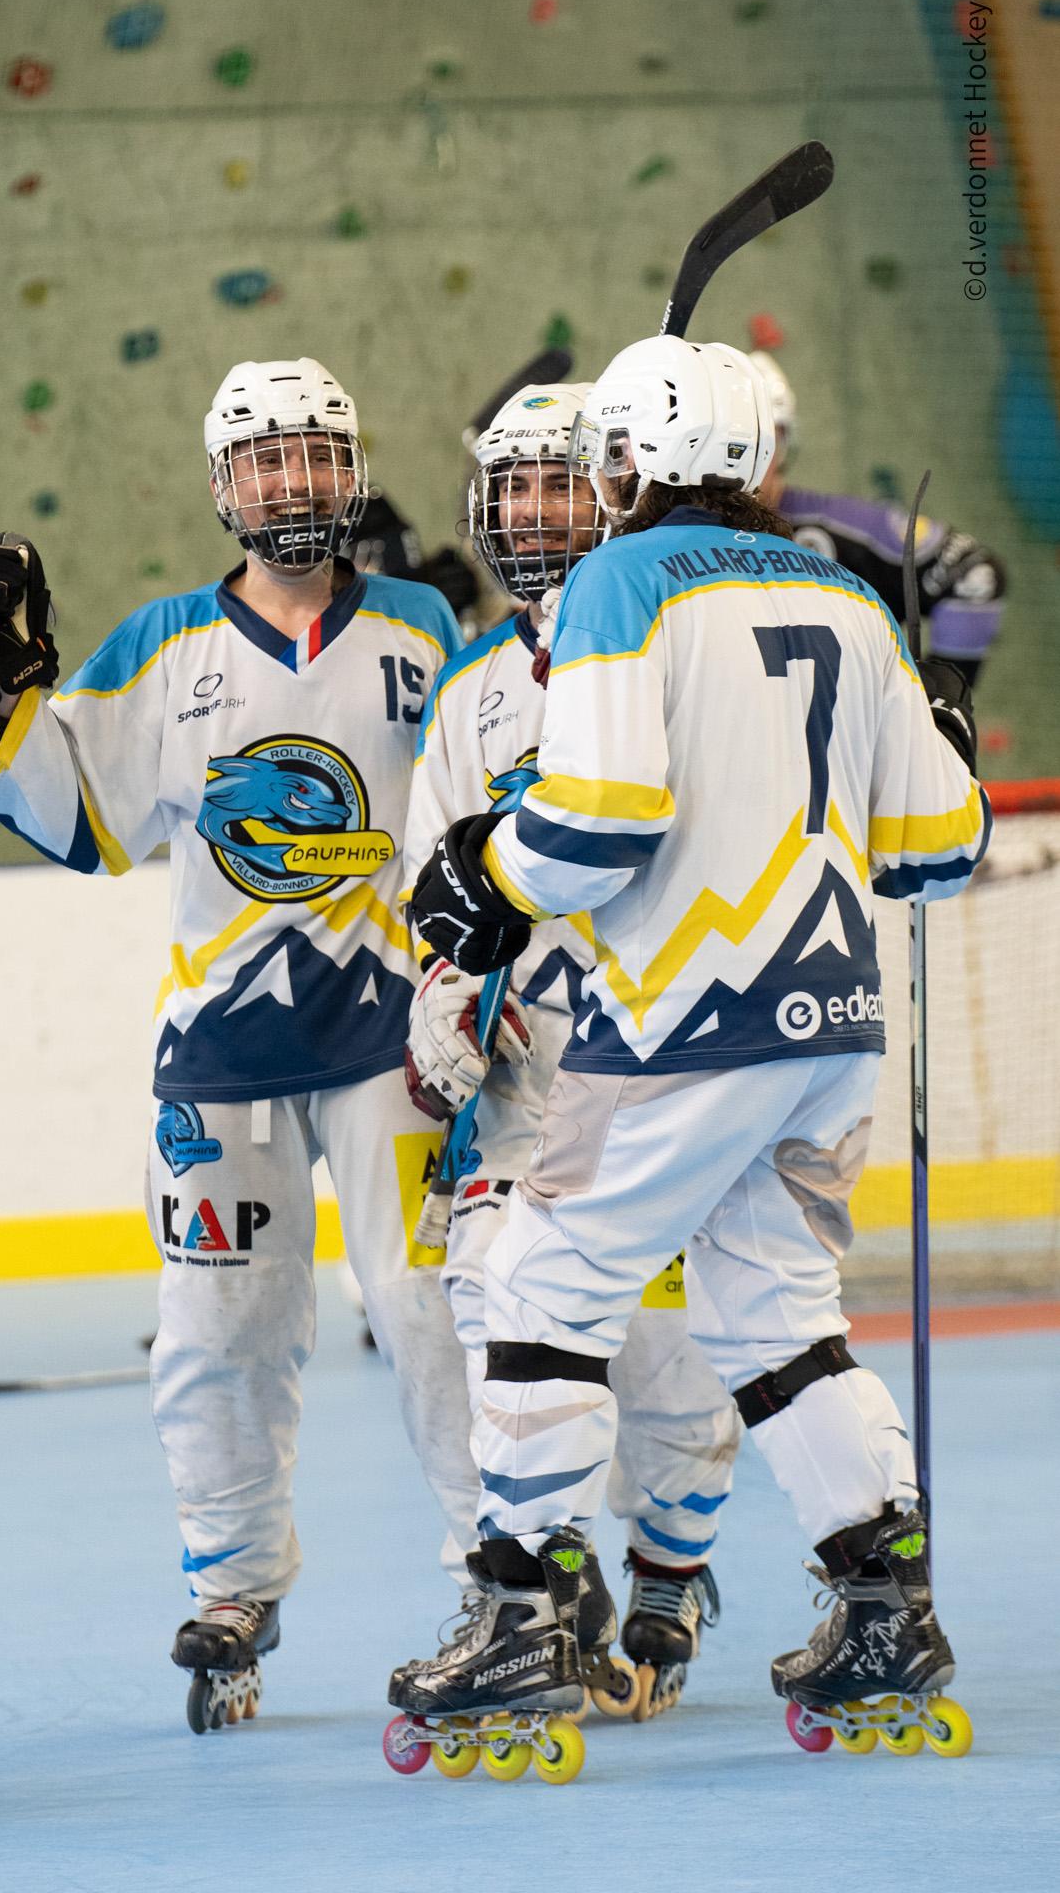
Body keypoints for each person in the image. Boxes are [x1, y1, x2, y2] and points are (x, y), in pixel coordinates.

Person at [391, 335, 987, 1755]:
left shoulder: (619, 581)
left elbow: (602, 813)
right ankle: (884, 1599)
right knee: (771, 1314)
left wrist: (490, 872)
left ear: (629, 459)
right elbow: (939, 846)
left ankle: (521, 1614)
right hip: (829, 1024)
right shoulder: (846, 594)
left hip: (681, 1017)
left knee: (540, 1280)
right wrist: (945, 736)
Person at [0, 357, 480, 1733]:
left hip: (395, 1043)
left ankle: (506, 1574)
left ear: (351, 471)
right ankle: (233, 1587)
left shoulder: (423, 626)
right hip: (226, 1049)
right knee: (216, 1333)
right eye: (265, 459)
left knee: (435, 1311)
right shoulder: (165, 645)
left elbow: (486, 787)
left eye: (316, 454)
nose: (293, 481)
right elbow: (79, 821)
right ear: (225, 483)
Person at [401, 381, 737, 1717]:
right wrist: (441, 1001)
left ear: (614, 490)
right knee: (488, 1304)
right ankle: (543, 1580)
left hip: (666, 1059)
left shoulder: (679, 640)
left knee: (670, 1356)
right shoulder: (472, 691)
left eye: (561, 482)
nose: (538, 511)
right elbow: (433, 883)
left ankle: (671, 1568)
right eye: (515, 487)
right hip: (527, 1086)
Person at [752, 350, 1005, 686]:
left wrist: (934, 701)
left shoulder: (838, 528)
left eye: (764, 440)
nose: (748, 460)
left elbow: (974, 570)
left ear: (786, 444)